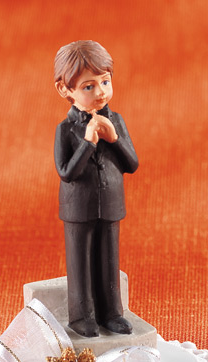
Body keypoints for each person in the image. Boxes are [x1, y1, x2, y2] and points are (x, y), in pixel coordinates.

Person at [53, 40, 138, 338]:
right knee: (80, 262)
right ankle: (82, 316)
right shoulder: (66, 130)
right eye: (88, 86)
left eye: (105, 82)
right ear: (65, 89)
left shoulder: (116, 121)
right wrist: (88, 142)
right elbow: (66, 172)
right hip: (78, 207)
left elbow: (132, 164)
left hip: (111, 203)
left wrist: (114, 139)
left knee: (109, 259)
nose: (100, 92)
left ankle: (112, 313)